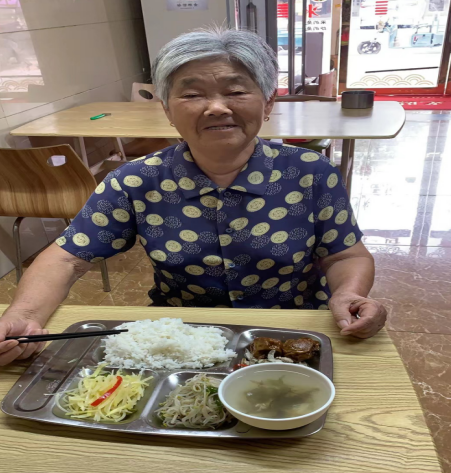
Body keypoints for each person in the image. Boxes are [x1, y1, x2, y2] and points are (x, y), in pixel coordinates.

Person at [0, 27, 386, 366]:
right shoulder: (135, 181)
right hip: (182, 339)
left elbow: (346, 255)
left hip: (290, 333)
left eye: (236, 90)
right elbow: (67, 257)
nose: (216, 107)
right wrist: (24, 316)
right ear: (167, 110)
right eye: (192, 94)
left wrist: (349, 294)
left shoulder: (310, 172)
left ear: (268, 102)